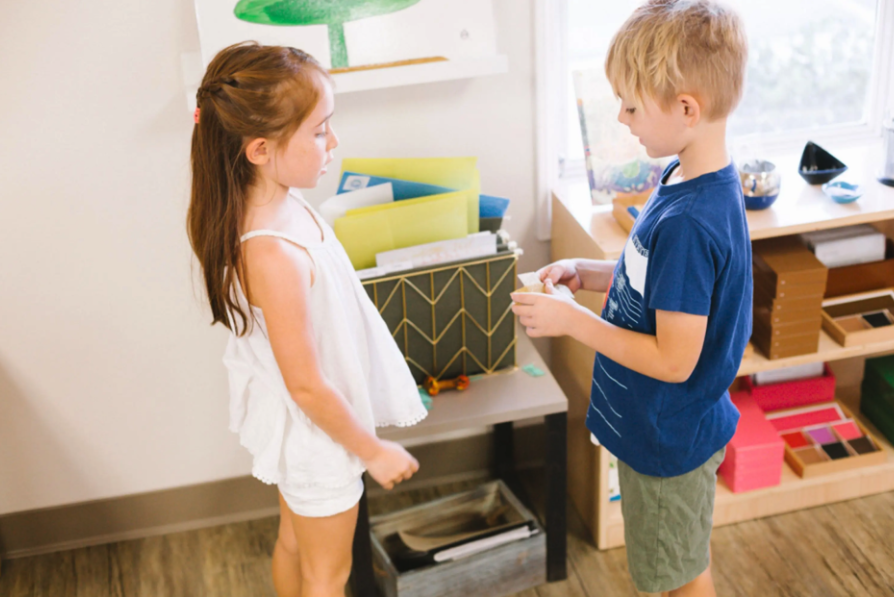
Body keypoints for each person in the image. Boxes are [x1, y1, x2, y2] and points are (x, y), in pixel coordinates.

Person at [511, 2, 751, 595]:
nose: (620, 116)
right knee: (678, 561)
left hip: (669, 441)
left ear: (687, 109)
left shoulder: (693, 222)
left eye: (632, 104)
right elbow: (659, 279)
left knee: (677, 575)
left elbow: (674, 359)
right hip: (659, 430)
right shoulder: (684, 180)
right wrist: (589, 273)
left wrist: (572, 322)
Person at [187, 42, 428, 597]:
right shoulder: (271, 253)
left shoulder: (282, 204)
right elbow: (306, 384)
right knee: (327, 575)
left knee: (296, 543)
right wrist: (373, 449)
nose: (333, 142)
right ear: (260, 149)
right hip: (320, 435)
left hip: (312, 426)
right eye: (320, 131)